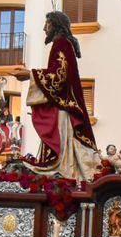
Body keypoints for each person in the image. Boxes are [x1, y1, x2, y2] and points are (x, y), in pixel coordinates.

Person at [10, 10, 99, 179]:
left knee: (65, 160)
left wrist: (29, 74)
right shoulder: (64, 44)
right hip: (64, 106)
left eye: (47, 24)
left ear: (55, 25)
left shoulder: (61, 43)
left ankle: (67, 176)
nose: (44, 28)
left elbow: (59, 76)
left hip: (64, 110)